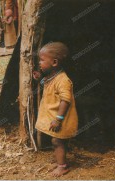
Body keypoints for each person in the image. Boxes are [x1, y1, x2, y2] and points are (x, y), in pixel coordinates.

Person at [33, 42, 78, 177]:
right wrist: (40, 79)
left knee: (57, 141)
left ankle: (62, 167)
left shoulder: (63, 80)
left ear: (54, 62)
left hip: (62, 118)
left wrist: (59, 119)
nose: (39, 63)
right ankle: (61, 161)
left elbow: (66, 100)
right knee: (58, 141)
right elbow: (49, 87)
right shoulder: (53, 77)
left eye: (42, 60)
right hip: (56, 117)